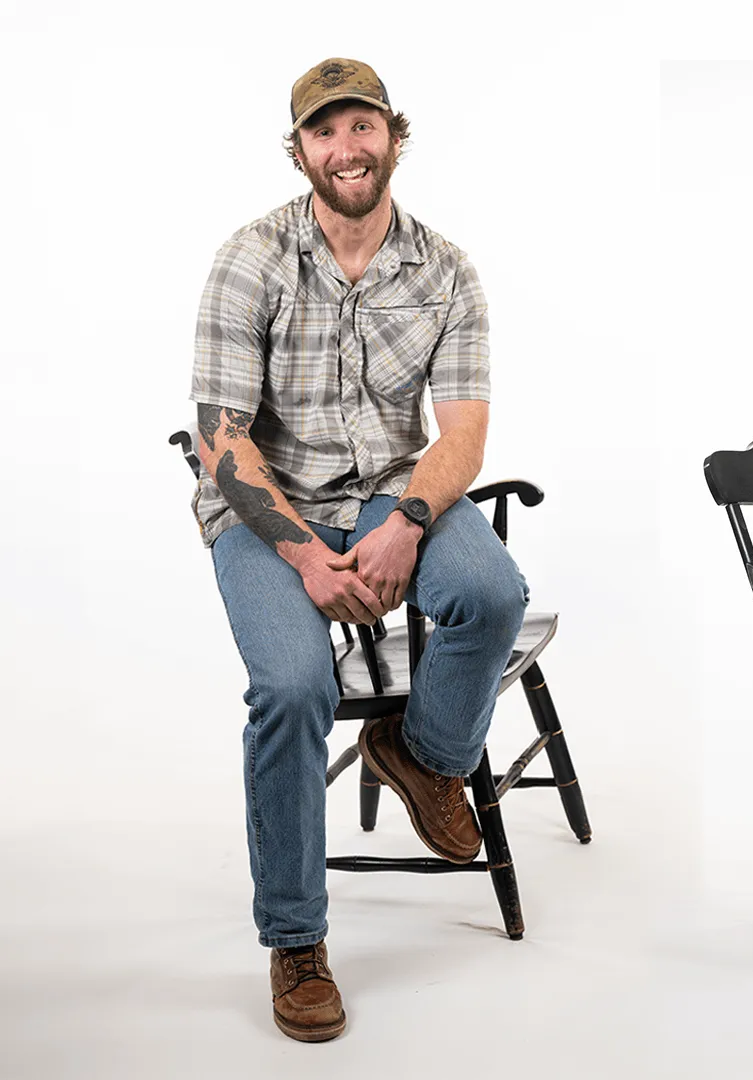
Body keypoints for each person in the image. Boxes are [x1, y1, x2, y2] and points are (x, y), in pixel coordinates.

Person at [189, 57, 527, 1041]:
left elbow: (461, 433)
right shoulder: (250, 257)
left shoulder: (446, 266)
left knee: (492, 593)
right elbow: (221, 436)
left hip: (390, 492)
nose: (347, 148)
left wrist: (406, 524)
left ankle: (423, 752)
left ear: (393, 136)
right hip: (267, 513)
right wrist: (304, 555)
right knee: (294, 689)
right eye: (325, 131)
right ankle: (296, 939)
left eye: (363, 127)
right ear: (299, 150)